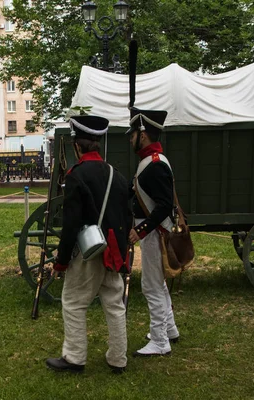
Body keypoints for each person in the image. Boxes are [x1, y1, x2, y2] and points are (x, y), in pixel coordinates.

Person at [46, 115, 132, 374]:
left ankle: (74, 358)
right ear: (98, 144)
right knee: (115, 305)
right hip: (114, 250)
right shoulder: (116, 175)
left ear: (77, 146)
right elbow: (126, 216)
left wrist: (61, 261)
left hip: (89, 251)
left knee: (73, 302)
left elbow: (71, 224)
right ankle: (118, 359)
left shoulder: (76, 175)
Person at [126, 108, 180, 357]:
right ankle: (169, 330)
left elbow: (164, 205)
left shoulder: (155, 164)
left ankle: (159, 341)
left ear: (143, 134)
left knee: (151, 287)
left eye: (133, 134)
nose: (130, 139)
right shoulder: (151, 160)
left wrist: (141, 229)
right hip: (154, 232)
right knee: (158, 284)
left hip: (154, 233)